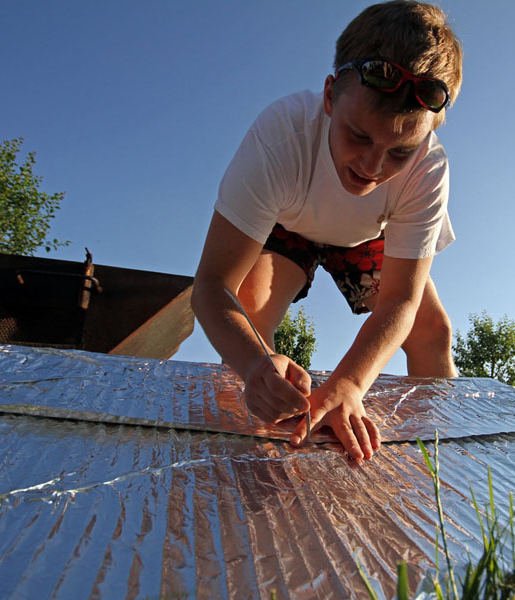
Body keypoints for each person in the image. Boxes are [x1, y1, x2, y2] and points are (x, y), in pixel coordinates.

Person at [191, 0, 462, 464]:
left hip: (367, 235)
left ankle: (434, 468)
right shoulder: (280, 138)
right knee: (250, 319)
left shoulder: (428, 168)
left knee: (432, 331)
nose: (372, 168)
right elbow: (212, 287)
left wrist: (349, 385)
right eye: (359, 136)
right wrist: (256, 364)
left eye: (399, 151)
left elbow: (401, 301)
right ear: (331, 96)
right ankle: (244, 460)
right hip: (289, 225)